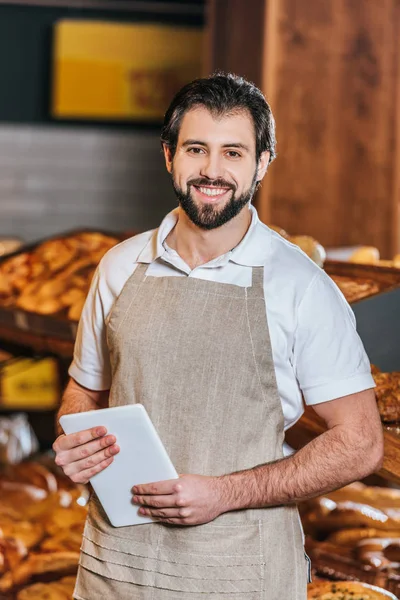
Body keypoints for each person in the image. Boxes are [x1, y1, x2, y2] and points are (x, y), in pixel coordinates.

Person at [53, 72, 384, 600]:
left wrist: (225, 493)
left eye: (233, 152)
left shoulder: (300, 286)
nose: (212, 171)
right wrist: (74, 441)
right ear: (169, 155)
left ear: (263, 162)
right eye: (195, 149)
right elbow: (85, 391)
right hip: (114, 568)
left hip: (238, 572)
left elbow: (361, 443)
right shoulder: (118, 266)